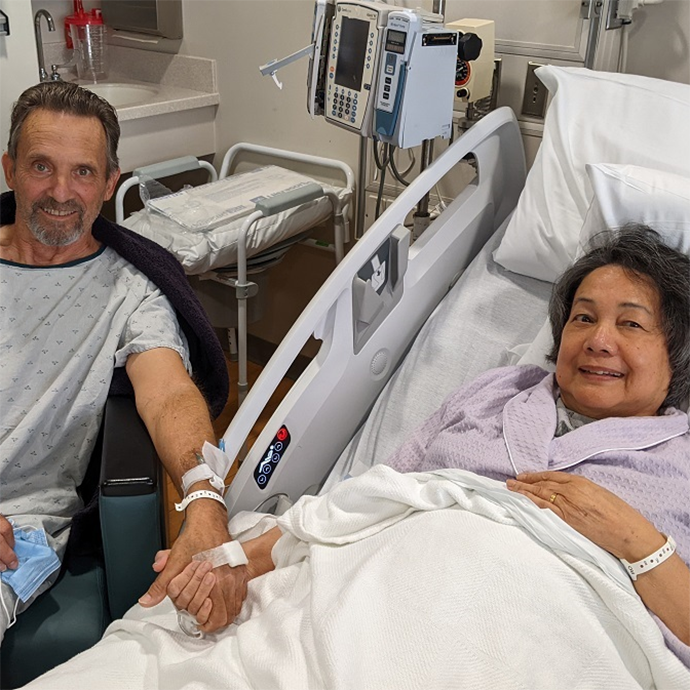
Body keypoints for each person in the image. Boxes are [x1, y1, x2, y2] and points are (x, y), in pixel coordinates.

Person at [20, 226, 690, 687]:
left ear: (677, 353)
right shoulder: (497, 392)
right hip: (376, 586)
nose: (598, 339)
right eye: (582, 317)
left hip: (530, 632)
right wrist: (232, 561)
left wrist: (638, 541)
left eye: (629, 323)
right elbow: (372, 498)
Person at [0, 80, 237, 644]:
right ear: (9, 170)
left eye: (83, 172)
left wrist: (205, 501)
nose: (60, 191)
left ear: (109, 184)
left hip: (17, 532)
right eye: (40, 167)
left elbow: (169, 394)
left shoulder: (131, 292)